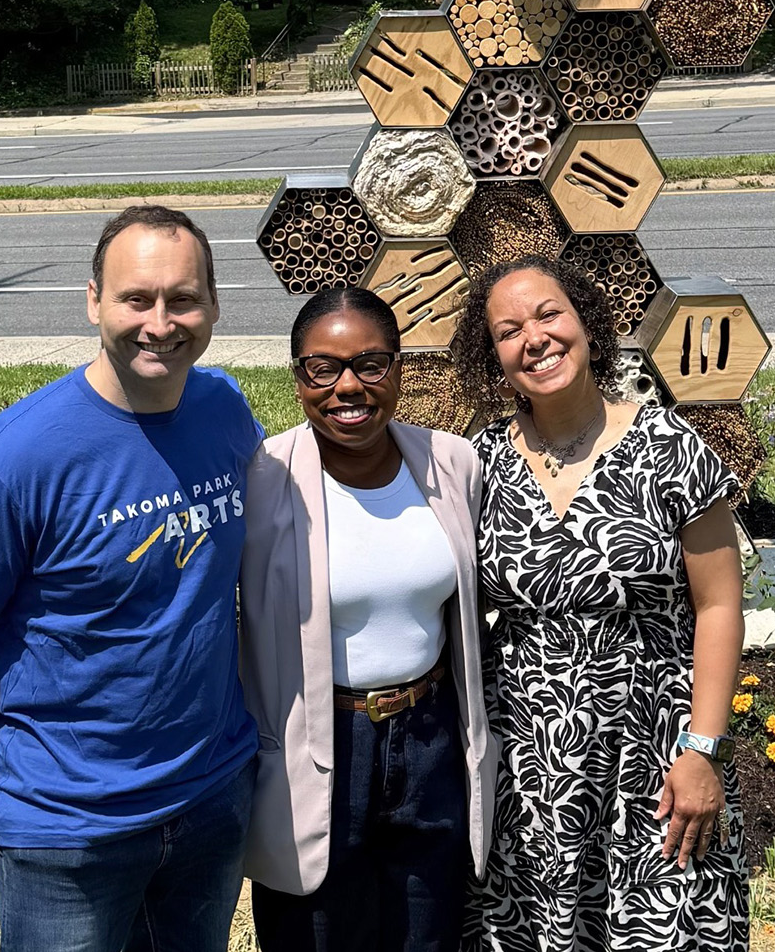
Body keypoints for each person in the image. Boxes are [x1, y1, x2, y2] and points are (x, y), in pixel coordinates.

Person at [0, 205, 263, 952]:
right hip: (68, 825)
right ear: (94, 301)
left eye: (184, 298)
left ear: (213, 306)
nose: (161, 323)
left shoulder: (226, 410)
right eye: (137, 298)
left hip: (213, 792)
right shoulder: (14, 460)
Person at [454, 254, 748, 952]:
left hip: (656, 745)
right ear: (491, 354)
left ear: (587, 323)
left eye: (549, 314)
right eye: (509, 329)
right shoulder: (480, 460)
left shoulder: (668, 445)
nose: (535, 338)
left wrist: (702, 749)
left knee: (667, 925)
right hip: (529, 759)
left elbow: (719, 608)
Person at [238, 285, 496, 952]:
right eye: (323, 368)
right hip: (321, 744)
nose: (347, 386)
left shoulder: (451, 464)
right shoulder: (263, 479)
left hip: (431, 735)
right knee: (316, 932)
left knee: (428, 932)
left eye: (370, 364)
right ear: (298, 379)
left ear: (399, 370)